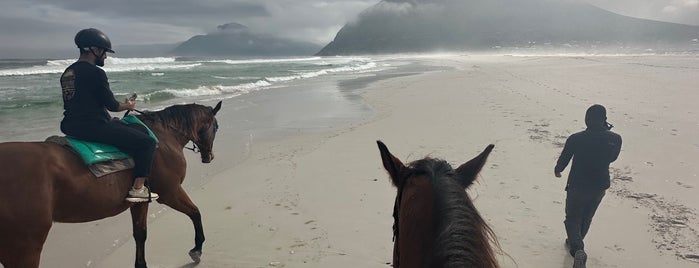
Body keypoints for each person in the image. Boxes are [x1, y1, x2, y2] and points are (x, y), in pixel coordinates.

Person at [60, 28, 158, 202]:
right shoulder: (96, 72)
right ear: (94, 50)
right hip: (93, 126)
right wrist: (127, 105)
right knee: (147, 143)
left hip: (71, 125)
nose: (105, 56)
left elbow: (82, 101)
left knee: (130, 129)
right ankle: (138, 188)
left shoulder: (68, 72)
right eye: (104, 52)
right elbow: (112, 105)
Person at [554, 104, 622, 267]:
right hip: (599, 186)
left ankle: (577, 248)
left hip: (578, 185)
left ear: (587, 119)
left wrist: (558, 170)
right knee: (586, 217)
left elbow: (565, 158)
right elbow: (612, 158)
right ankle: (575, 241)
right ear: (604, 119)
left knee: (572, 218)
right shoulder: (615, 139)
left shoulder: (576, 138)